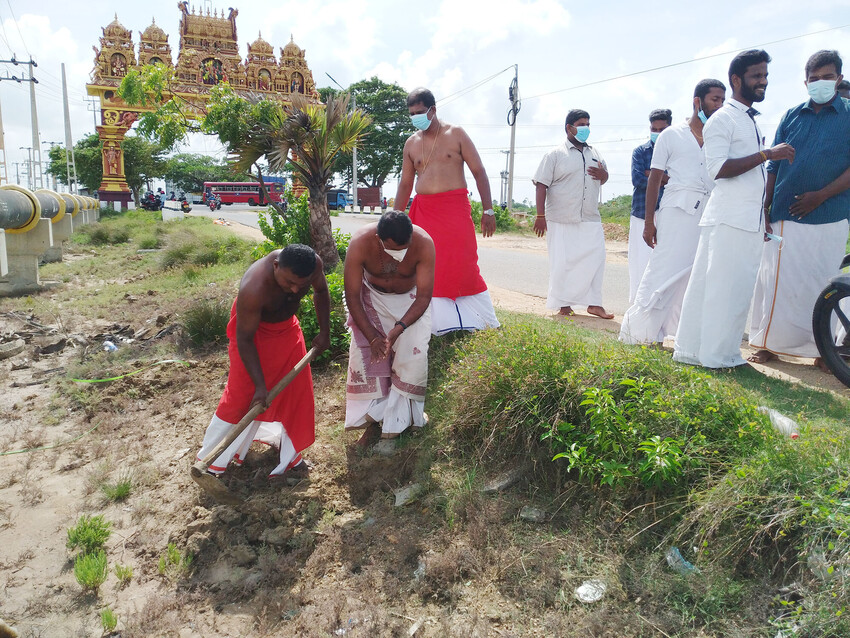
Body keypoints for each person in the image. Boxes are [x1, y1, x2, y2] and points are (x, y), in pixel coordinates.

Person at [673, 50, 795, 368]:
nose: (763, 81)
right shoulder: (723, 119)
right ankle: (714, 357)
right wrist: (767, 154)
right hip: (728, 220)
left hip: (747, 220)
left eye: (765, 75)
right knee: (720, 290)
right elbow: (718, 169)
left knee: (735, 290)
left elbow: (752, 179)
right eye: (757, 75)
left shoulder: (747, 119)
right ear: (736, 80)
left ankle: (714, 353)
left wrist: (762, 216)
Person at [748, 50, 850, 369]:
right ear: (805, 82)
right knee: (776, 282)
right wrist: (765, 205)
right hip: (784, 213)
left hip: (830, 215)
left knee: (823, 283)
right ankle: (767, 344)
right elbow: (773, 167)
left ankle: (822, 351)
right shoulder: (791, 115)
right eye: (814, 78)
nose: (820, 82)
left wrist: (820, 196)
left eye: (827, 76)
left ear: (839, 78)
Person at [196, 244, 330, 480]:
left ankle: (289, 454)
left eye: (301, 284)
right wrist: (259, 386)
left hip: (287, 330)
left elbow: (320, 291)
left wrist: (325, 332)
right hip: (253, 335)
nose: (295, 289)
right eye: (289, 282)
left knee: (295, 391)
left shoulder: (313, 265)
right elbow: (244, 339)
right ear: (276, 266)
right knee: (241, 396)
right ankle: (212, 462)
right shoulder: (254, 288)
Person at [620, 80, 726, 345]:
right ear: (697, 102)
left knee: (693, 278)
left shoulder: (720, 138)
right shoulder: (672, 135)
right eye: (715, 99)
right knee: (662, 272)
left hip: (707, 214)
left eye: (723, 100)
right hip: (676, 212)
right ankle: (639, 335)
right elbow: (654, 179)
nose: (720, 105)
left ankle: (681, 338)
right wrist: (649, 222)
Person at [393, 87, 500, 335]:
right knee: (426, 265)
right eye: (412, 114)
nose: (416, 117)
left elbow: (479, 172)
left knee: (463, 261)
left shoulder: (456, 134)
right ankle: (434, 324)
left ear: (433, 109)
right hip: (423, 212)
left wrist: (489, 210)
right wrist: (393, 218)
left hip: (455, 209)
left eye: (420, 112)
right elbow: (405, 184)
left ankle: (479, 320)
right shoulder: (411, 143)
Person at [343, 211, 436, 445]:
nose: (401, 253)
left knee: (413, 357)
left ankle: (400, 421)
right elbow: (352, 296)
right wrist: (372, 336)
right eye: (395, 248)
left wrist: (400, 327)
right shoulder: (361, 243)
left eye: (405, 246)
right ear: (379, 238)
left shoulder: (424, 243)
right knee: (370, 360)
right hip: (373, 302)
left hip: (412, 304)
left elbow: (424, 297)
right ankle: (373, 422)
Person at [533, 109, 614, 318]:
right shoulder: (555, 155)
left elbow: (603, 178)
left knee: (596, 259)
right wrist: (540, 216)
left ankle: (594, 304)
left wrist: (604, 175)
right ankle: (564, 305)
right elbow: (541, 185)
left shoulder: (595, 153)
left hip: (590, 217)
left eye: (588, 124)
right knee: (562, 264)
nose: (586, 128)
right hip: (561, 218)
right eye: (581, 124)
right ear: (569, 127)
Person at [628, 108, 672, 303]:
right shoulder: (641, 152)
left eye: (662, 130)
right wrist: (663, 178)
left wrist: (653, 175)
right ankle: (638, 304)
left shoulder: (676, 152)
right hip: (642, 213)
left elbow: (680, 181)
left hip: (668, 212)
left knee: (664, 262)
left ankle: (659, 305)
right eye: (654, 129)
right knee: (640, 261)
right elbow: (638, 180)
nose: (657, 133)